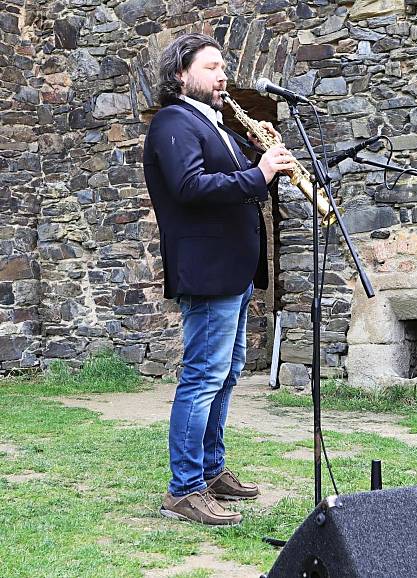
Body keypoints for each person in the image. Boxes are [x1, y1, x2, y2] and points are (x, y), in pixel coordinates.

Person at [143, 32, 295, 525]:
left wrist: (256, 155)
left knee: (226, 374)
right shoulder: (173, 121)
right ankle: (184, 489)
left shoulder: (215, 125)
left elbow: (231, 182)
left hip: (232, 270)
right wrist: (262, 173)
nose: (222, 75)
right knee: (203, 376)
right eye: (211, 67)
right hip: (207, 272)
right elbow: (190, 187)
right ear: (181, 75)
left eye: (223, 66)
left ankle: (209, 470)